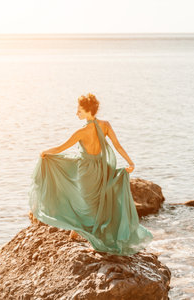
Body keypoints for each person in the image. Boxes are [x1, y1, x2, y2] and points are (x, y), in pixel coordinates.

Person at [28, 93, 153, 256]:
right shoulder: (106, 125)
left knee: (87, 206)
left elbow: (60, 149)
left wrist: (44, 152)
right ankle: (78, 231)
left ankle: (93, 240)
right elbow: (117, 145)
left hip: (87, 172)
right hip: (102, 168)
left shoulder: (81, 132)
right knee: (95, 204)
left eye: (79, 110)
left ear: (88, 110)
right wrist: (130, 163)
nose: (76, 113)